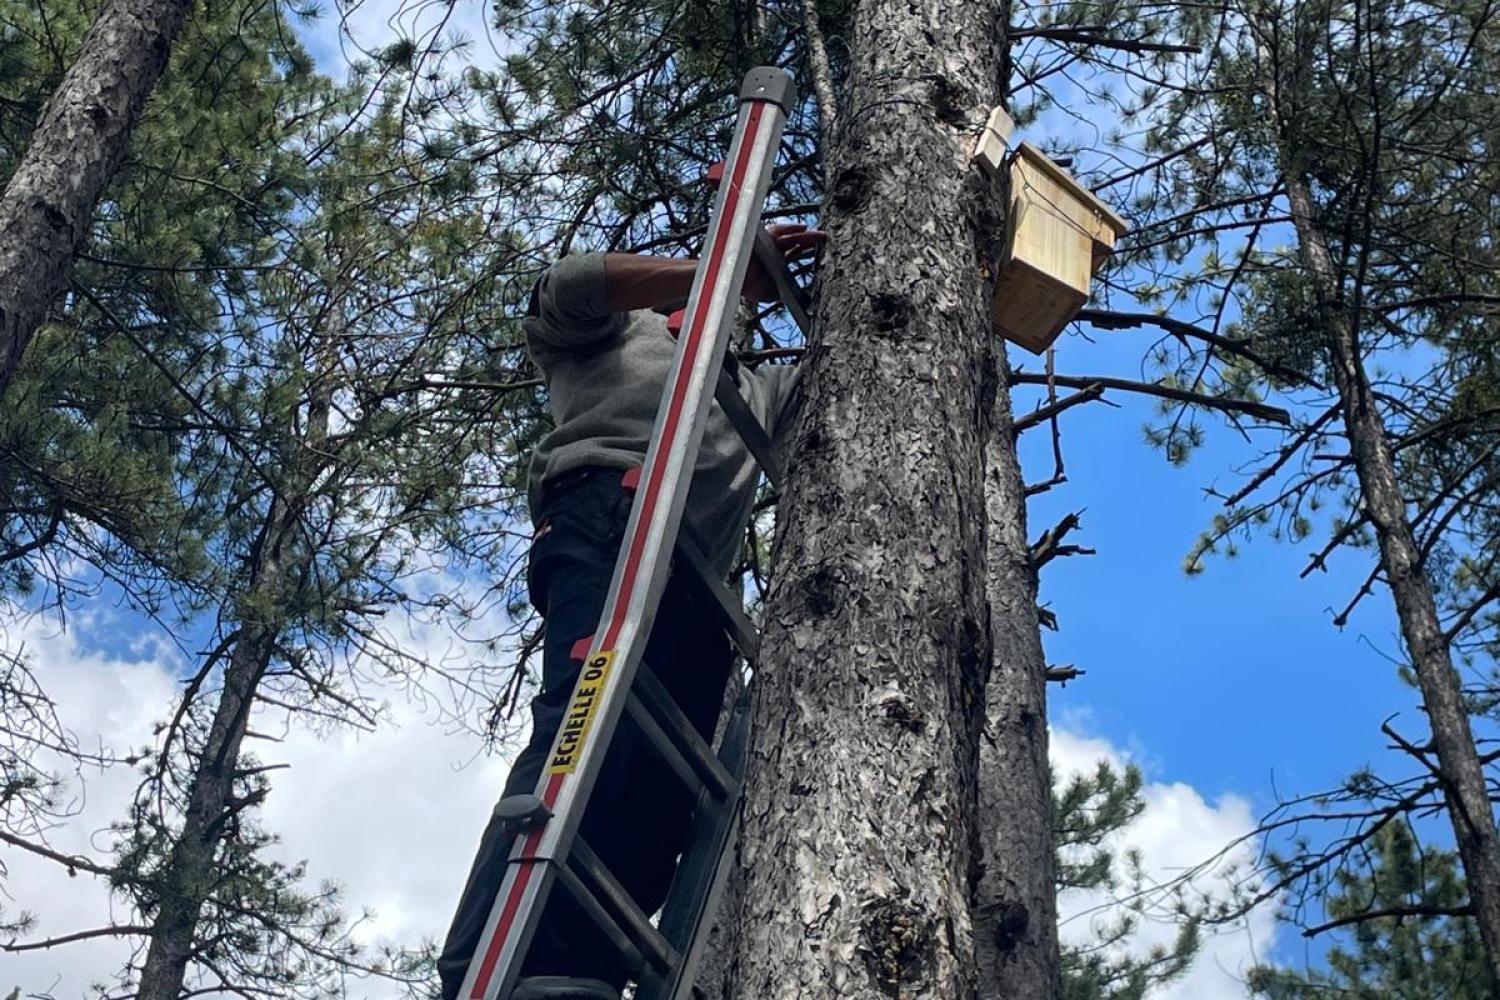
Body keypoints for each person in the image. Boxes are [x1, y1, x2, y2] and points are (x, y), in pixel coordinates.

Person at [438, 225, 826, 1000]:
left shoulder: (748, 391)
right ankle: (489, 962)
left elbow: (851, 364)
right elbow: (571, 285)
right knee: (585, 722)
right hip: (606, 519)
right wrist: (710, 270)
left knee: (664, 787)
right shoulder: (611, 333)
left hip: (691, 583)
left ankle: (583, 973)